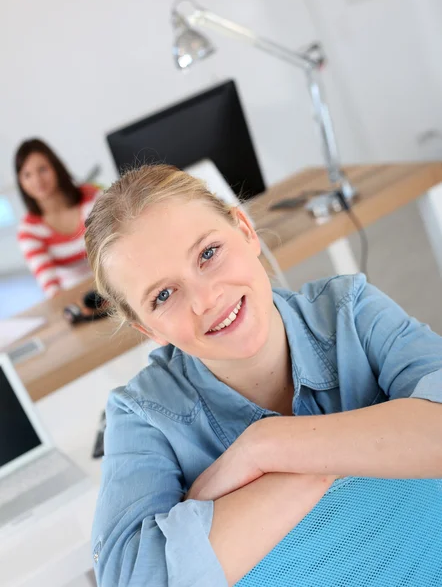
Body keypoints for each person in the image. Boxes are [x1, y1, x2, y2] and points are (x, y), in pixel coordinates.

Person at [85, 165, 442, 587]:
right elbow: (136, 580)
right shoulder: (142, 415)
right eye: (163, 296)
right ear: (151, 330)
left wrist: (263, 448)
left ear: (246, 231)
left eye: (208, 253)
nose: (206, 299)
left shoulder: (351, 310)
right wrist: (334, 455)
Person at [15, 138, 100, 297]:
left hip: (113, 282)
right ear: (20, 182)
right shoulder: (28, 231)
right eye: (27, 175)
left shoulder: (91, 197)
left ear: (56, 167)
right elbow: (50, 287)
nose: (37, 180)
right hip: (76, 297)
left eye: (42, 169)